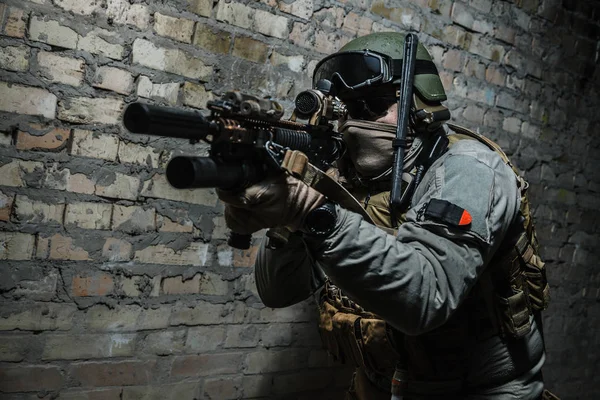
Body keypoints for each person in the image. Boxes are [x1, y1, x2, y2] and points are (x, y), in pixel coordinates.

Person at [217, 32, 555, 400]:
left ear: (418, 104)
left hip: (481, 392)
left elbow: (428, 296)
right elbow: (277, 291)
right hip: (380, 385)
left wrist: (310, 211)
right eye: (345, 109)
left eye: (373, 106)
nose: (352, 123)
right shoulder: (344, 174)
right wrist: (289, 207)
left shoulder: (469, 169)